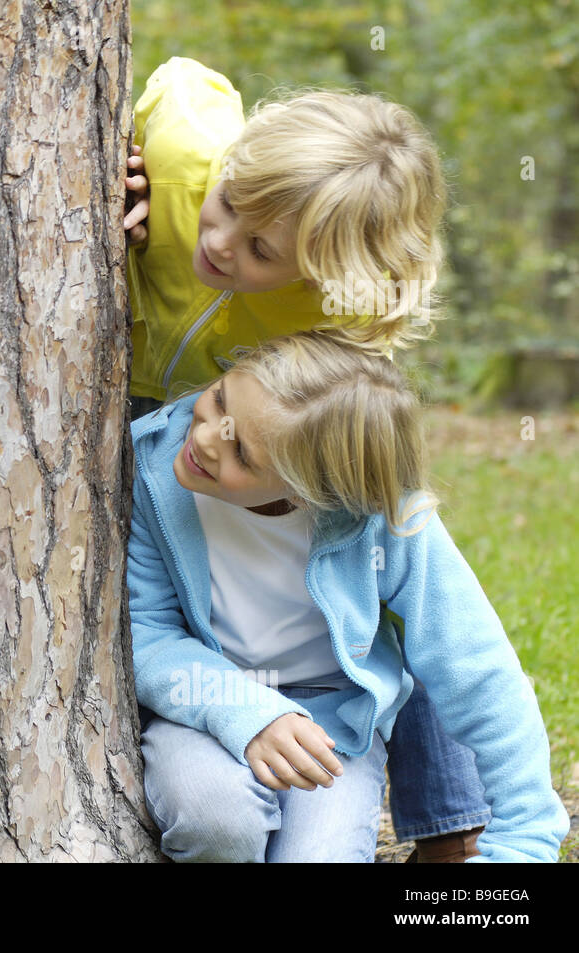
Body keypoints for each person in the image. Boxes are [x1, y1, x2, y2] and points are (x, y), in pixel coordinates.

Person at [120, 57, 490, 860]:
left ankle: (450, 820)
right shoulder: (190, 152)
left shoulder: (334, 309)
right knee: (158, 588)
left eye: (259, 249)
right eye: (223, 206)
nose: (217, 242)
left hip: (246, 431)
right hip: (140, 415)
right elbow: (182, 77)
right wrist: (119, 149)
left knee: (393, 558)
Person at [127, 332, 567, 862]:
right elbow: (144, 629)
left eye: (242, 452)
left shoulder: (387, 519)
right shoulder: (153, 468)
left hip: (337, 726)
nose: (205, 439)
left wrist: (525, 839)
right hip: (202, 708)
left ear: (315, 492)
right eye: (220, 400)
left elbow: (477, 670)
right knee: (216, 821)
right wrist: (247, 713)